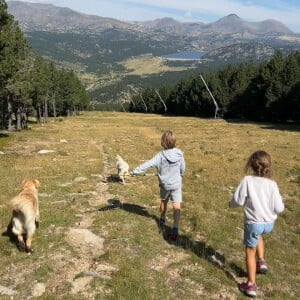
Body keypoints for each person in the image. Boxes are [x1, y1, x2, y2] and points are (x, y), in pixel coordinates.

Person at [229, 150, 284, 298]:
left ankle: (251, 284)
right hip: (269, 224)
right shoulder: (272, 184)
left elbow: (238, 201)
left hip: (254, 223)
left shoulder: (247, 180)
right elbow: (280, 208)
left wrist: (231, 204)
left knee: (249, 251)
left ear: (251, 165)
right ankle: (262, 262)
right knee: (258, 236)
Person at [131, 130, 185, 240]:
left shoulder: (160, 156)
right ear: (174, 141)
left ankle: (162, 218)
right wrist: (181, 175)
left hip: (165, 185)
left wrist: (134, 172)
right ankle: (175, 228)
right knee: (176, 205)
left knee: (164, 201)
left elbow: (147, 164)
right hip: (176, 184)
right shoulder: (179, 154)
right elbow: (182, 168)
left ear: (163, 142)